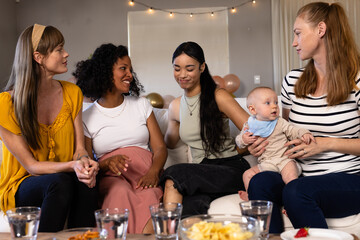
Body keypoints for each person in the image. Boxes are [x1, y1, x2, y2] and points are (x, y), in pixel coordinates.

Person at [247, 2, 360, 233]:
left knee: (296, 191)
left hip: (349, 178)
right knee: (260, 182)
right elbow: (282, 129)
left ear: (321, 30)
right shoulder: (292, 81)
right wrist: (259, 144)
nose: (293, 42)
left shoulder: (356, 80)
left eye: (298, 33)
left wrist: (326, 143)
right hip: (299, 175)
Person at [0, 24, 99, 232]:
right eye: (59, 49)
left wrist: (85, 164)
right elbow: (32, 167)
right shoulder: (5, 104)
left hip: (61, 178)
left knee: (87, 183)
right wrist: (73, 166)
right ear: (39, 57)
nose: (66, 54)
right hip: (22, 185)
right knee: (60, 182)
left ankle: (81, 238)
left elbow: (79, 149)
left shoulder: (72, 92)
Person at [74, 43, 167, 234]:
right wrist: (107, 163)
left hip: (145, 175)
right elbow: (88, 162)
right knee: (118, 192)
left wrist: (154, 172)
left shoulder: (141, 105)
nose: (130, 75)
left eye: (130, 69)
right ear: (105, 72)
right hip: (112, 178)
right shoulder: (87, 117)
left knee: (150, 195)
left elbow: (160, 148)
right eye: (123, 69)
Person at [159, 41, 251, 217]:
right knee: (189, 207)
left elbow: (254, 130)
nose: (182, 74)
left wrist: (237, 149)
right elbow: (169, 143)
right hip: (202, 172)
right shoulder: (176, 105)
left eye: (189, 68)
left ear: (202, 67)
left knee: (174, 174)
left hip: (230, 170)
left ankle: (166, 235)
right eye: (177, 68)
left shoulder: (219, 96)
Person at [235, 87, 314, 201]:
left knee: (290, 177)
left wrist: (303, 133)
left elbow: (293, 130)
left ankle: (293, 200)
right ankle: (250, 194)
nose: (274, 106)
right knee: (247, 174)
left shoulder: (279, 122)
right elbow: (239, 142)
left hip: (284, 160)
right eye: (268, 103)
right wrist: (243, 139)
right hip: (266, 163)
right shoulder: (249, 125)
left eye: (276, 102)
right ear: (253, 110)